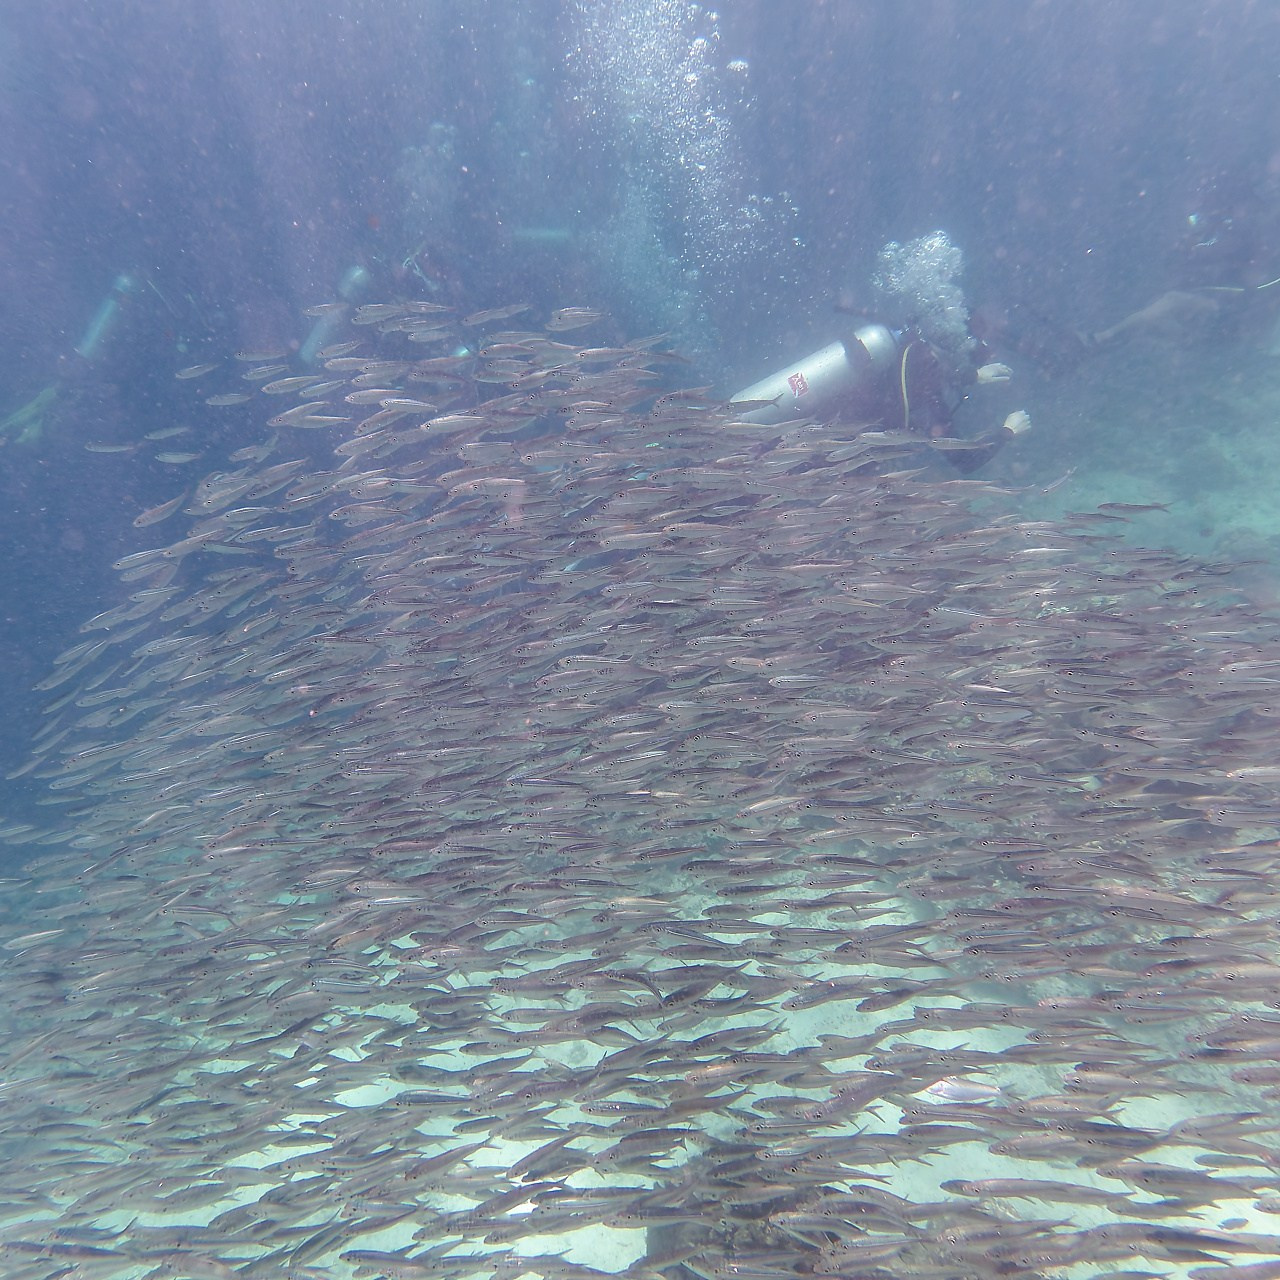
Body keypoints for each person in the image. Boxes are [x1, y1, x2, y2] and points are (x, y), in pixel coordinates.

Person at [730, 233, 1031, 474]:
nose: (979, 351)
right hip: (801, 456)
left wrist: (972, 376)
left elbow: (914, 373)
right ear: (954, 339)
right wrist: (1007, 432)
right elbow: (963, 460)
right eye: (975, 344)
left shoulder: (900, 342)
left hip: (784, 434)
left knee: (720, 464)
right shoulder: (924, 372)